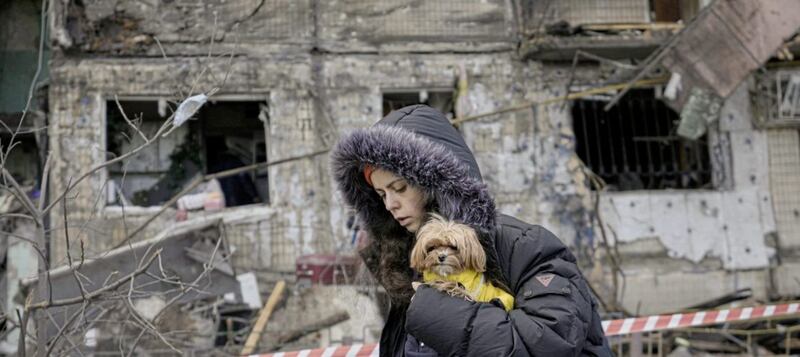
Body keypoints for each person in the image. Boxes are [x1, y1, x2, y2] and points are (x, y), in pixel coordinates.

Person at [331, 105, 611, 356]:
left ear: (435, 181)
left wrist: (434, 310)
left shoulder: (525, 246)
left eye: (400, 188)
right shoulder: (411, 262)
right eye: (381, 194)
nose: (390, 204)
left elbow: (550, 343)